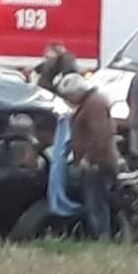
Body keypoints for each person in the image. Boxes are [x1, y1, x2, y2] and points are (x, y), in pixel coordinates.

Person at [57, 73, 117, 239]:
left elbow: (101, 135)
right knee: (95, 200)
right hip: (95, 162)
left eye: (68, 96)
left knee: (96, 202)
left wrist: (87, 158)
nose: (68, 100)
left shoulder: (94, 105)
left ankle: (102, 236)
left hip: (97, 164)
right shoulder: (90, 103)